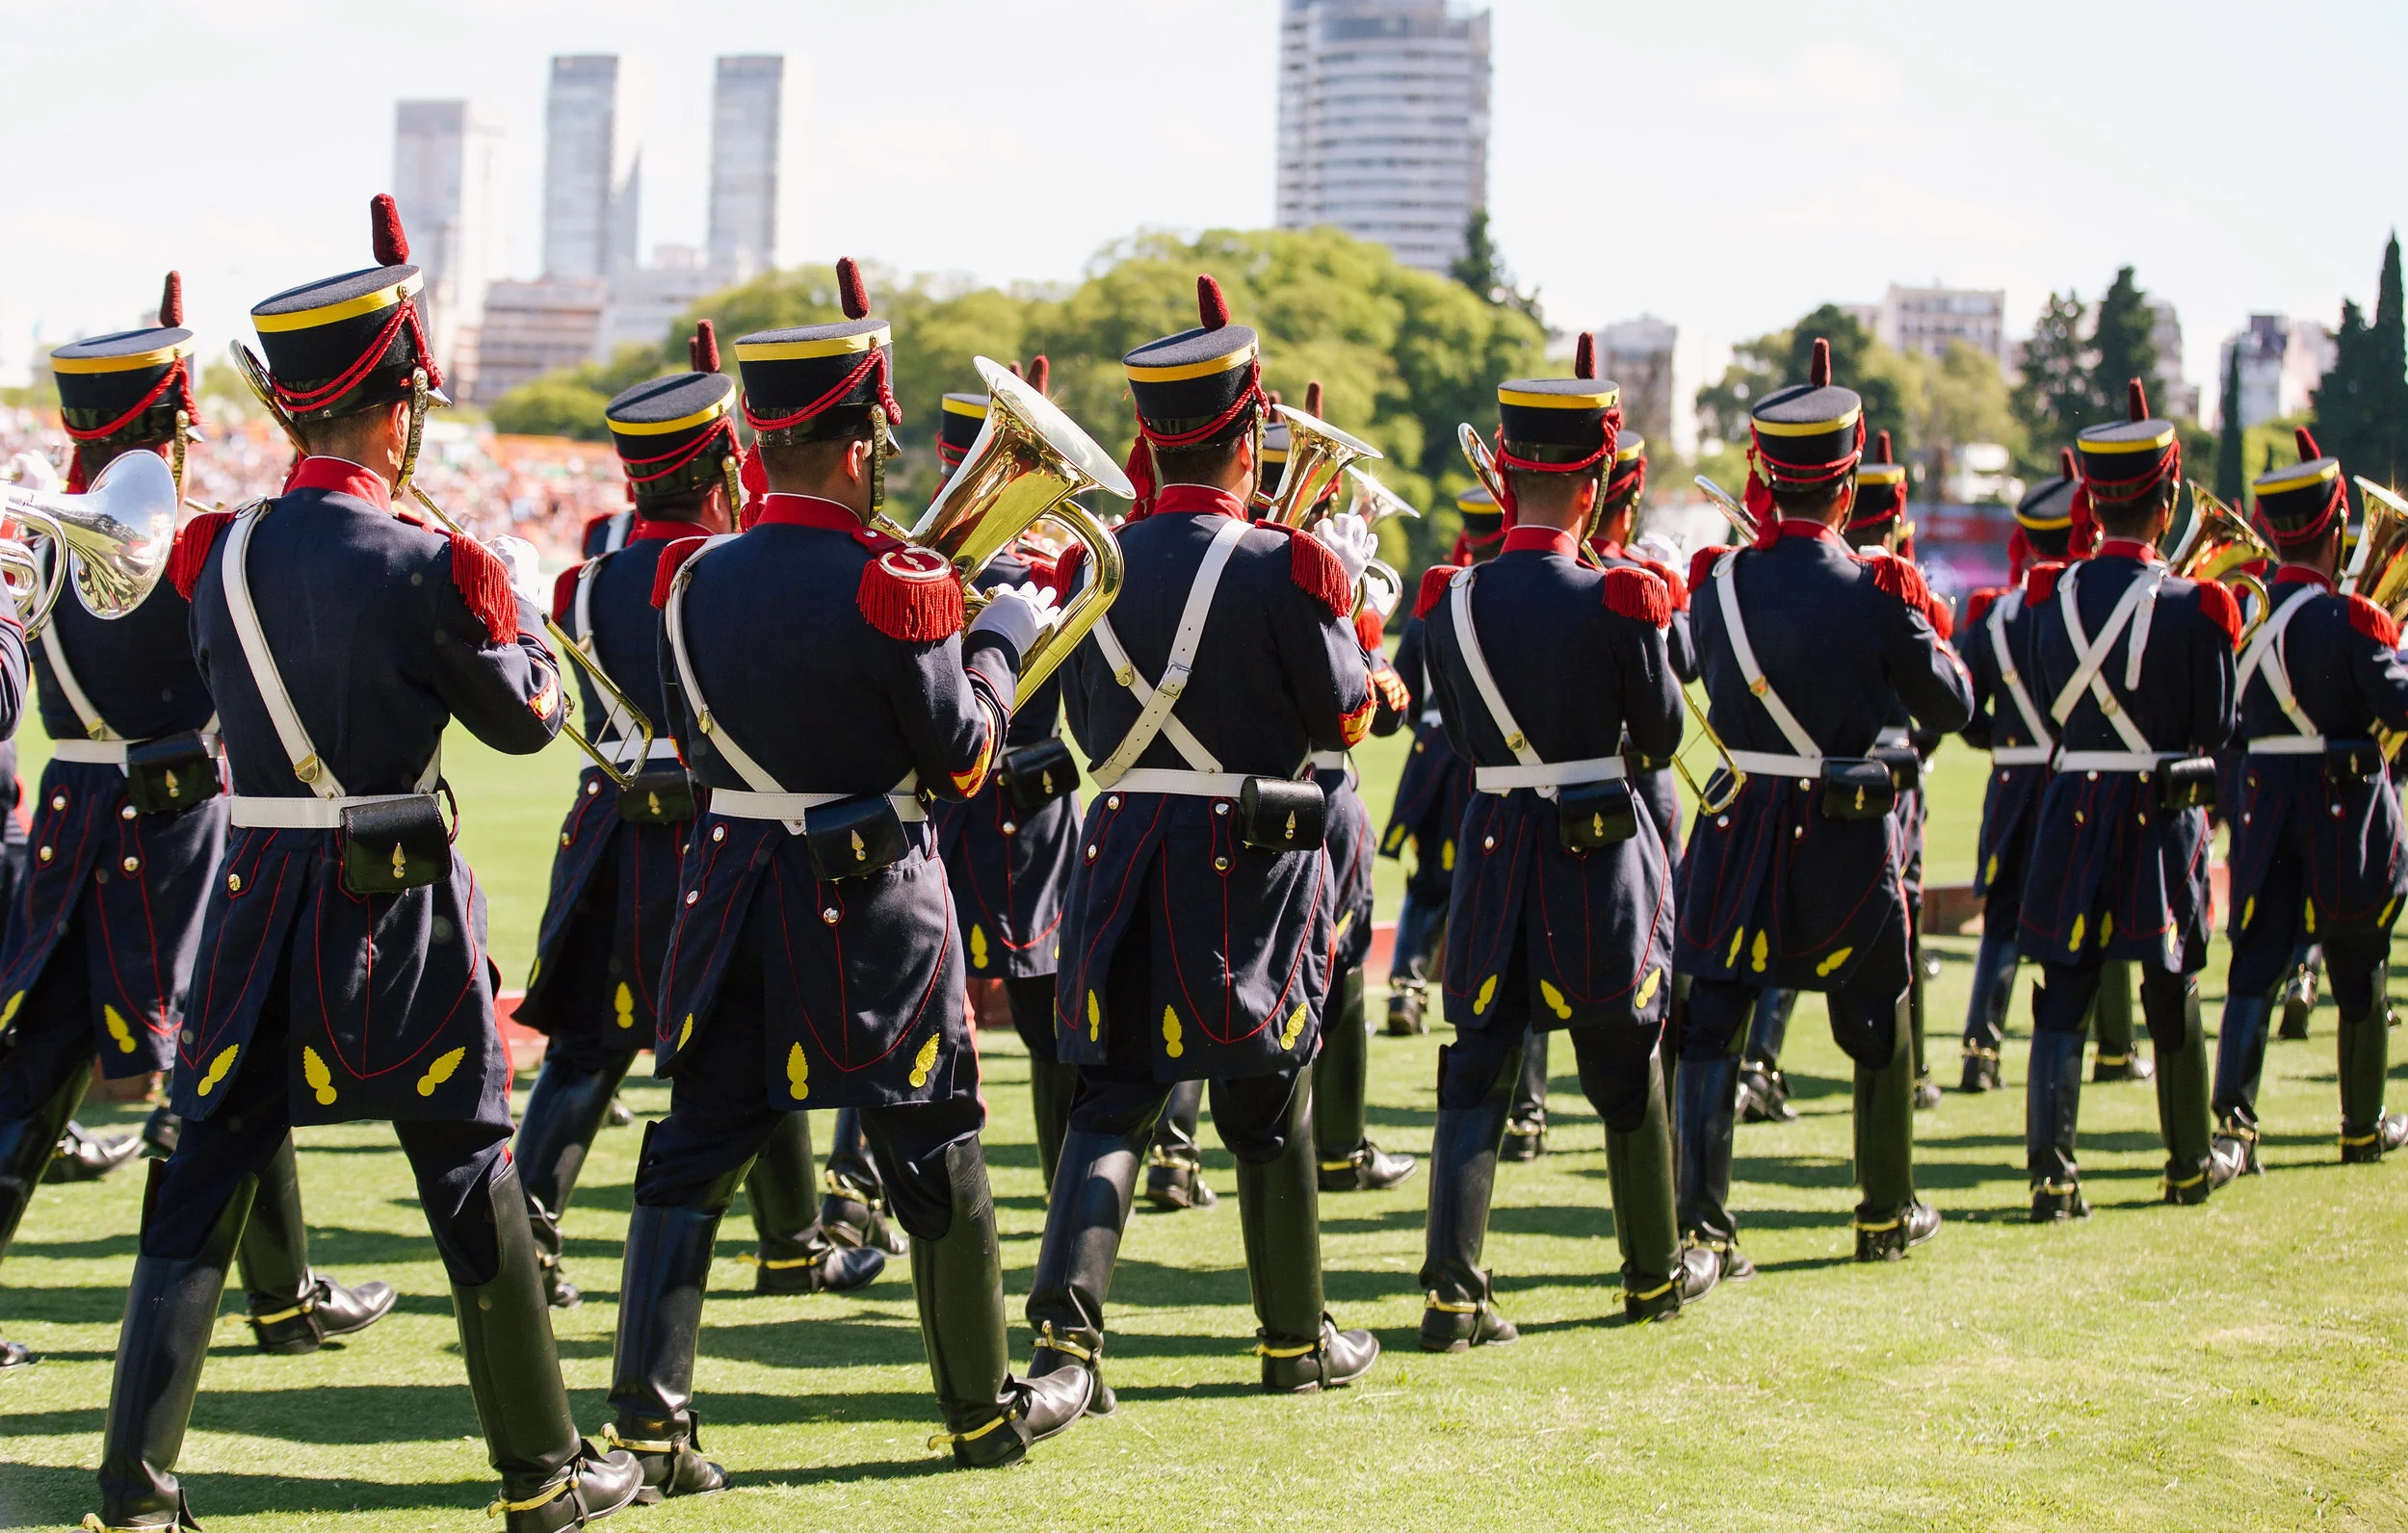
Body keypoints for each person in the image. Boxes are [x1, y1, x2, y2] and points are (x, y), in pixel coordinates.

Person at [88, 196, 641, 1531]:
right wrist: (511, 611)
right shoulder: (432, 563)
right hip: (398, 913)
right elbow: (525, 725)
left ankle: (135, 1492)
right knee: (467, 1166)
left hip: (253, 890)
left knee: (204, 1166)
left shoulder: (215, 551)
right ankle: (544, 1476)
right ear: (398, 411)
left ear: (295, 409)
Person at [607, 259, 1086, 1490]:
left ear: (760, 440)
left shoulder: (690, 576)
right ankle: (980, 1410)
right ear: (865, 439)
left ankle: (653, 1424)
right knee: (933, 1142)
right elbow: (965, 759)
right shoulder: (898, 583)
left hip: (731, 890)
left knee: (693, 1148)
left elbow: (693, 740)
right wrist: (999, 638)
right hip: (870, 907)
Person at [1, 273, 396, 1376]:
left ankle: (280, 1291)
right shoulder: (166, 543)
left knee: (47, 1063)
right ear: (168, 425)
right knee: (214, 1065)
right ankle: (259, 1299)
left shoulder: (45, 538)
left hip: (78, 816)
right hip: (173, 833)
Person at [1023, 275, 1382, 1410]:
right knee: (1267, 1100)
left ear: (1152, 435)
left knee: (1112, 1099)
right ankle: (1292, 1340)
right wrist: (1346, 596)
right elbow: (1345, 715)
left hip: (1124, 836)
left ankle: (1065, 1349)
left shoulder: (1092, 561)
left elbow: (1079, 716)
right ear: (1246, 432)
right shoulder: (1286, 563)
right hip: (1249, 854)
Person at [512, 323, 867, 1309]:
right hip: (724, 831)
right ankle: (791, 1244)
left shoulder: (584, 581)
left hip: (612, 830)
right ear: (723, 467)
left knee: (588, 1048)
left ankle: (528, 1241)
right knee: (760, 1034)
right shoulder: (731, 571)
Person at [1417, 362, 1705, 1346]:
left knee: (1477, 1068)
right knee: (1625, 1060)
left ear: (1505, 475)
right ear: (1593, 489)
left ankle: (1452, 1295)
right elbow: (1660, 738)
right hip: (1596, 853)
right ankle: (1652, 1275)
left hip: (1497, 844)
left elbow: (1463, 738)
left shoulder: (1450, 599)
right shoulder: (1619, 598)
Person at [1674, 339, 1972, 1270]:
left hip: (1737, 824)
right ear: (1847, 489)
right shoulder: (1879, 587)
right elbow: (1950, 707)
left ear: (1764, 478)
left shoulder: (1716, 580)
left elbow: (1693, 669)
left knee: (1712, 1024)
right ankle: (1884, 1211)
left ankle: (1700, 1227)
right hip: (1844, 834)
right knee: (1878, 1018)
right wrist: (1920, 626)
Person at [2016, 381, 2241, 1221]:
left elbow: (2050, 700)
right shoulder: (2199, 606)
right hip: (2159, 808)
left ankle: (2052, 1178)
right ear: (2168, 499)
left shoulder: (2051, 595)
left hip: (2074, 799)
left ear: (2095, 500)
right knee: (2171, 983)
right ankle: (2188, 1164)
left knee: (2064, 988)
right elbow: (2216, 726)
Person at [2212, 429, 2408, 1167]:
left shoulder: (2246, 616)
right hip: (2342, 809)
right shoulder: (2354, 620)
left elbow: (2228, 724)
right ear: (2337, 527)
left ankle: (2234, 1127)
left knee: (2255, 965)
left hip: (2265, 807)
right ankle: (2362, 1126)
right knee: (2360, 961)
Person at [921, 360, 1085, 1198]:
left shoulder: (913, 567)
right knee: (1036, 1011)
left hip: (975, 817)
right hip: (1000, 819)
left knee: (927, 1009)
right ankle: (1063, 1186)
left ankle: (854, 1186)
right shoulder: (1014, 576)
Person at [1954, 451, 2079, 1091]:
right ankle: (2103, 1049)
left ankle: (1980, 1050)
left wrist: (2002, 744)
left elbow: (1964, 709)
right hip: (2074, 778)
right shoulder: (2083, 607)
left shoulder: (1994, 615)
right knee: (2079, 912)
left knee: (2003, 918)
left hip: (2011, 782)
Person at [1838, 431, 1954, 1111]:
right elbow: (1942, 702)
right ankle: (1908, 1068)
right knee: (1899, 914)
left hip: (1817, 769)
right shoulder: (1898, 592)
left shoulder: (1827, 587)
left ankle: (1760, 1060)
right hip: (1891, 775)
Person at [1380, 488, 1499, 1041]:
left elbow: (1400, 700)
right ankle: (1476, 988)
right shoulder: (1513, 597)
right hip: (1492, 755)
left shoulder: (1436, 603)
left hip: (1434, 759)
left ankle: (1407, 989)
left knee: (1429, 879)